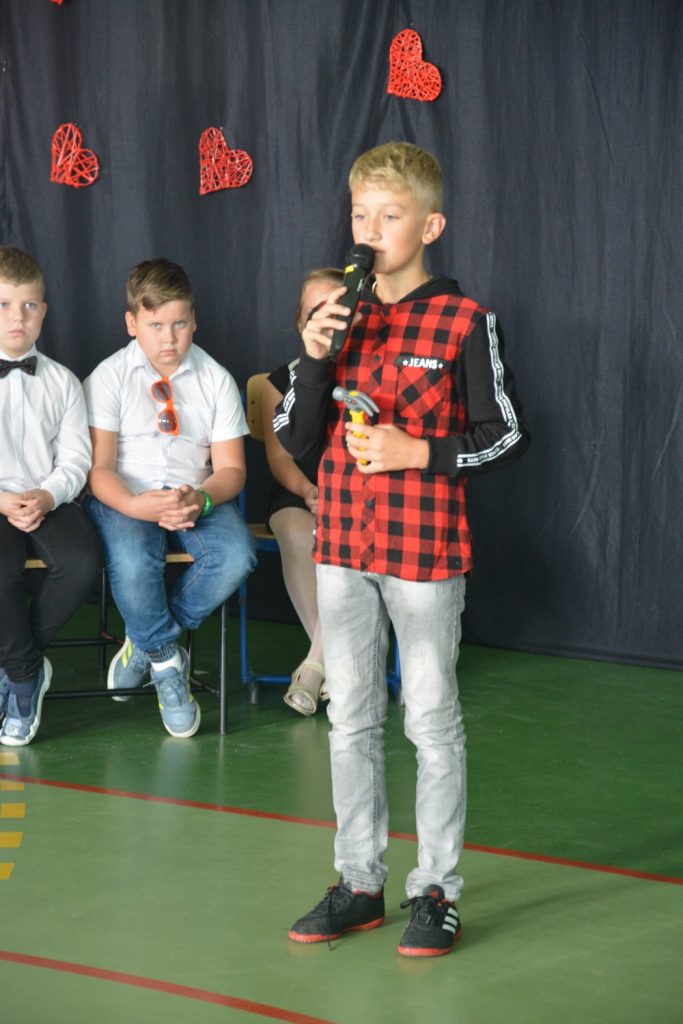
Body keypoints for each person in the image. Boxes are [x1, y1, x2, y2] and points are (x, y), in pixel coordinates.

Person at [274, 142, 530, 956]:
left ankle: (435, 892)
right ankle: (358, 883)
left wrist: (418, 451)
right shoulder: (335, 317)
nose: (371, 230)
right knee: (349, 718)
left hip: (423, 557)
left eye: (390, 215)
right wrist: (314, 360)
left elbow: (505, 436)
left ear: (429, 226)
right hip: (342, 548)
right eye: (360, 215)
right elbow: (294, 439)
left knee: (429, 719)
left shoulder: (465, 321)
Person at [83, 258, 256, 738]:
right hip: (126, 495)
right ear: (131, 323)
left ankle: (146, 644)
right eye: (155, 325)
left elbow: (232, 470)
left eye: (179, 323)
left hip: (194, 493)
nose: (169, 338)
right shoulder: (109, 377)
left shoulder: (215, 379)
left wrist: (199, 499)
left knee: (236, 556)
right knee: (134, 562)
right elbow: (98, 469)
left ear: (194, 320)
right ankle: (165, 661)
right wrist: (134, 505)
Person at [0, 246, 102, 747]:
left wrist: (46, 495)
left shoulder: (63, 382)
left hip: (49, 497)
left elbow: (77, 460)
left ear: (43, 311)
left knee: (82, 562)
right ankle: (24, 678)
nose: (17, 317)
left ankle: (17, 662)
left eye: (28, 305)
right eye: (3, 305)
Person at [261, 268, 344, 716]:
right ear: (300, 321)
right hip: (300, 489)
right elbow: (279, 459)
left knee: (345, 541)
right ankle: (338, 664)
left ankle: (316, 668)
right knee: (296, 530)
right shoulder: (279, 382)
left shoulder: (370, 374)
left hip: (356, 496)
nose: (327, 318)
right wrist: (309, 491)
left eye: (338, 308)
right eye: (316, 310)